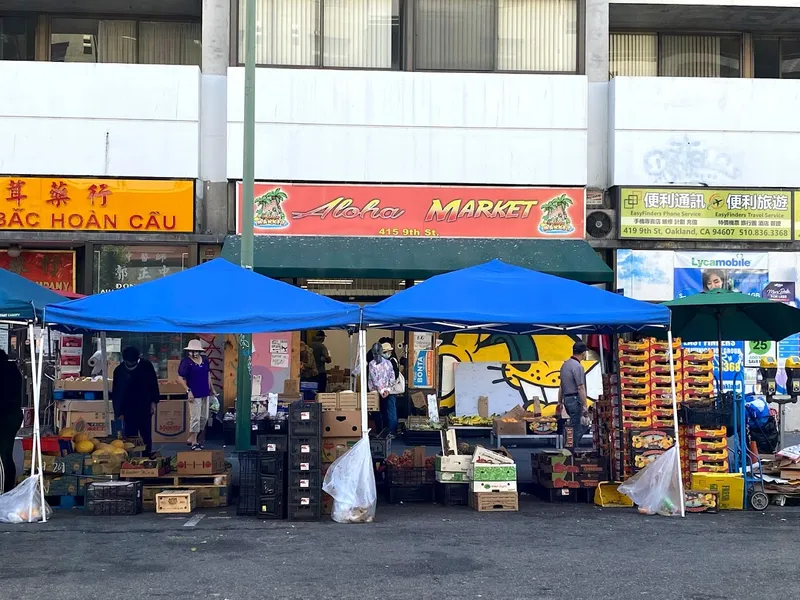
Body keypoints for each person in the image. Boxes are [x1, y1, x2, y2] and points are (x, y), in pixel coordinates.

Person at [112, 346, 160, 456]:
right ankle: (131, 458)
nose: (131, 364)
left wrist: (153, 402)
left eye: (133, 362)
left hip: (144, 404)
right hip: (127, 407)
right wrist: (118, 411)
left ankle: (147, 456)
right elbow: (116, 393)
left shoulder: (146, 366)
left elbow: (153, 385)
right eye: (128, 363)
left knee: (146, 433)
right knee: (130, 435)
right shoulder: (119, 371)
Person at [178, 339, 216, 451]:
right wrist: (188, 390)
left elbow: (208, 374)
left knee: (204, 417)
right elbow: (180, 378)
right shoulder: (186, 362)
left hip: (205, 392)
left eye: (195, 351)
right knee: (195, 417)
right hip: (194, 393)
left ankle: (192, 437)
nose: (193, 353)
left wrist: (212, 388)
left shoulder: (204, 360)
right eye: (191, 351)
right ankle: (194, 441)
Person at [557, 341, 589, 446]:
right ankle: (573, 450)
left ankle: (570, 447)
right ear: (583, 353)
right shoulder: (577, 366)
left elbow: (561, 386)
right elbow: (580, 387)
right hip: (575, 399)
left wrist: (560, 402)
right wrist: (585, 405)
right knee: (579, 426)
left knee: (573, 424)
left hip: (567, 399)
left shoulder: (565, 365)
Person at [0, 350, 22, 493]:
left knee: (4, 454)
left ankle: (7, 489)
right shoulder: (13, 370)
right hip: (13, 415)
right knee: (6, 452)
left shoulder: (5, 372)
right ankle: (8, 488)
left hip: (6, 416)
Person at [368, 342, 398, 437]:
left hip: (376, 392)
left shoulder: (372, 364)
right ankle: (386, 433)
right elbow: (392, 377)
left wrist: (382, 390)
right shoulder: (388, 363)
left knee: (377, 412)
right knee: (386, 412)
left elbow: (374, 379)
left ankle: (379, 433)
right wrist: (387, 389)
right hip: (386, 392)